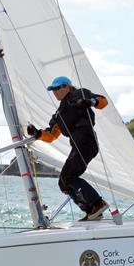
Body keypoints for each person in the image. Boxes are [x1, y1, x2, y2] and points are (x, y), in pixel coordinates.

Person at [26, 76, 109, 221]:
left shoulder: (80, 94)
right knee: (63, 182)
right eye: (52, 90)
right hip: (77, 143)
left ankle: (98, 203)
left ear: (66, 86)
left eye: (57, 88)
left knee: (68, 177)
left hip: (86, 139)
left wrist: (91, 102)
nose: (55, 92)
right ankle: (92, 211)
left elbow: (103, 101)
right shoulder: (59, 115)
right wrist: (37, 133)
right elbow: (51, 135)